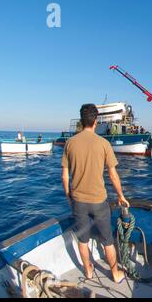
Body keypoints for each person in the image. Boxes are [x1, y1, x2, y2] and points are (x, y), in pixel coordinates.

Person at [61, 104, 129, 283]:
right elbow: (113, 175)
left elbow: (65, 175)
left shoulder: (70, 143)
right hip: (99, 201)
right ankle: (115, 274)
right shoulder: (104, 143)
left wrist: (69, 196)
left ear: (81, 121)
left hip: (78, 201)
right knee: (107, 240)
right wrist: (121, 196)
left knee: (82, 240)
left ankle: (88, 271)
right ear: (96, 121)